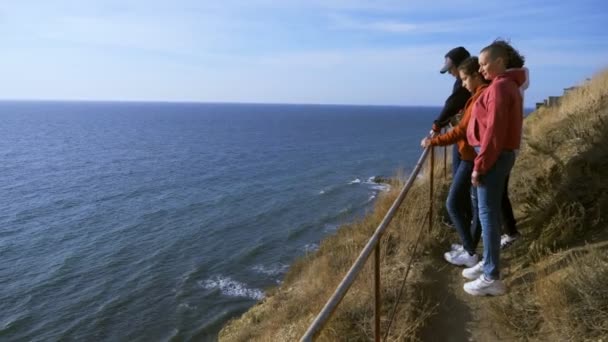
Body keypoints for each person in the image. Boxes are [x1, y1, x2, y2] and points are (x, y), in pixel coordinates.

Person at [462, 40, 527, 296]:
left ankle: (491, 277)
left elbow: (494, 132)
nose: (481, 69)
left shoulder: (500, 87)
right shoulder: (505, 85)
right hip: (497, 156)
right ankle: (488, 265)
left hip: (493, 157)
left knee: (487, 215)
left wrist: (479, 165)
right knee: (486, 212)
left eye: (484, 63)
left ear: (500, 61)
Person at [422, 57, 489, 267]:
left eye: (464, 79)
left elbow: (461, 130)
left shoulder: (479, 98)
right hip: (473, 156)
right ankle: (469, 247)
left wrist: (433, 141)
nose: (463, 84)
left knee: (453, 203)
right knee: (475, 205)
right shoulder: (478, 95)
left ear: (476, 76)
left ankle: (470, 253)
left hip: (471, 157)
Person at [433, 47, 473, 178]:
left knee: (460, 176)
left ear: (460, 65)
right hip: (467, 136)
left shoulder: (464, 81)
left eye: (451, 68)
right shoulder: (466, 80)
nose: (450, 72)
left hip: (468, 138)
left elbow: (453, 103)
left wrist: (438, 125)